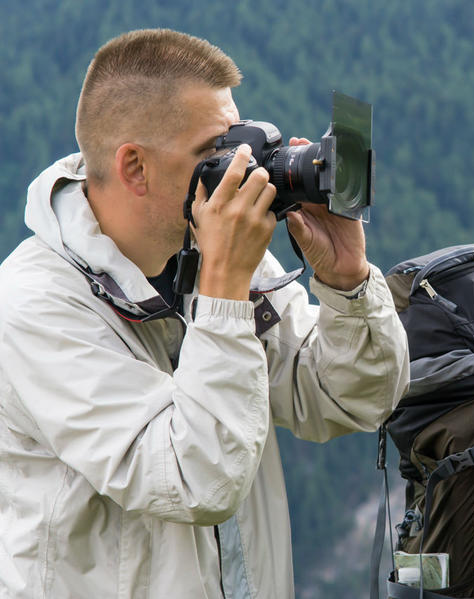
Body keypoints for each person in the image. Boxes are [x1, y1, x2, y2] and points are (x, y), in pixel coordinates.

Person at [0, 29, 409, 598]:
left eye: (241, 142)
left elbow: (346, 398)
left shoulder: (213, 251)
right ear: (135, 168)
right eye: (215, 151)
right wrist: (223, 291)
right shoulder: (36, 307)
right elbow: (195, 478)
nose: (242, 170)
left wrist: (347, 281)